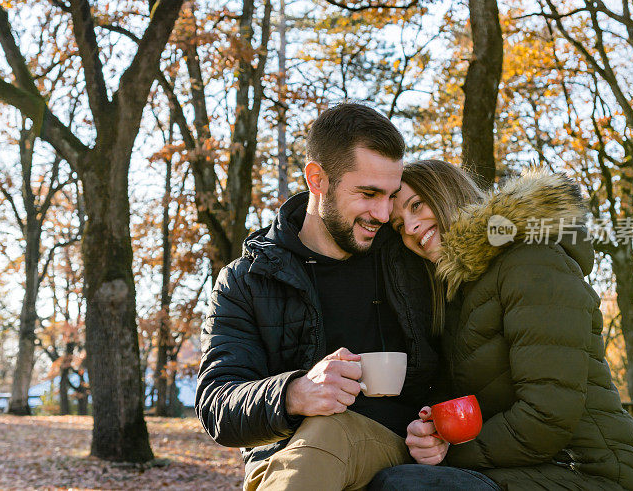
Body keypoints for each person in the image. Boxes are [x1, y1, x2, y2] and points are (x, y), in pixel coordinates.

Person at [195, 105, 498, 491]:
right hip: (290, 458)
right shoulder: (246, 280)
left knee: (334, 434)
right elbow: (216, 404)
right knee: (323, 434)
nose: (384, 213)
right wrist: (294, 392)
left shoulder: (410, 257)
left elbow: (466, 359)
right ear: (317, 179)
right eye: (369, 194)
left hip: (394, 449)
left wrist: (434, 428)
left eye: (390, 195)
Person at [373, 160, 633, 490]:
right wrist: (436, 432)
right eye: (397, 225)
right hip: (525, 468)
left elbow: (547, 414)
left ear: (447, 192)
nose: (409, 227)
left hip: (588, 470)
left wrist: (452, 453)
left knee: (403, 485)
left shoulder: (532, 260)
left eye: (416, 205)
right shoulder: (459, 294)